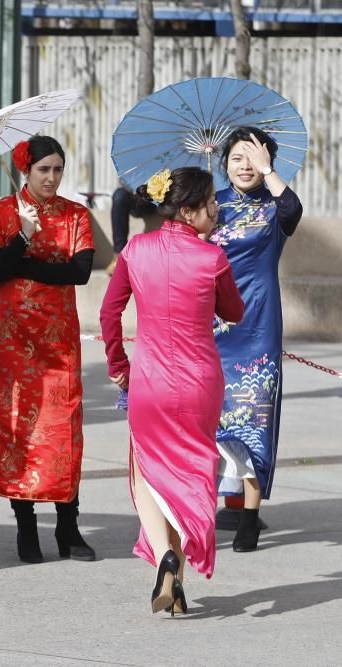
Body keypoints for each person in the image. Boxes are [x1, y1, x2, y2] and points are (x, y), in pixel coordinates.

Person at [100, 167, 245, 615]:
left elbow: (110, 312)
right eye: (210, 203)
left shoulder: (135, 250)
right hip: (201, 381)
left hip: (151, 380)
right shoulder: (212, 258)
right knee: (188, 473)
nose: (217, 210)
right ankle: (176, 577)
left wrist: (118, 365)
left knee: (146, 472)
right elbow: (235, 312)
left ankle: (165, 558)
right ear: (187, 210)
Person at [0, 136, 97, 564]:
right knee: (16, 428)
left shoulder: (75, 214)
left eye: (57, 169)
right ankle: (25, 524)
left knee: (63, 428)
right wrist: (22, 237)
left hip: (57, 337)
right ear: (26, 170)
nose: (51, 177)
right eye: (43, 169)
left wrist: (23, 264)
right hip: (8, 338)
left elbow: (80, 272)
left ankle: (68, 525)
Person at [210, 126, 303, 552]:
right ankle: (207, 502)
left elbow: (293, 207)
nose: (244, 166)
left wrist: (269, 172)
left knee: (254, 419)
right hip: (210, 325)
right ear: (223, 163)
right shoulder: (211, 206)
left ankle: (249, 515)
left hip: (258, 327)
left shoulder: (275, 208)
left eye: (254, 158)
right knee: (209, 418)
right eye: (236, 158)